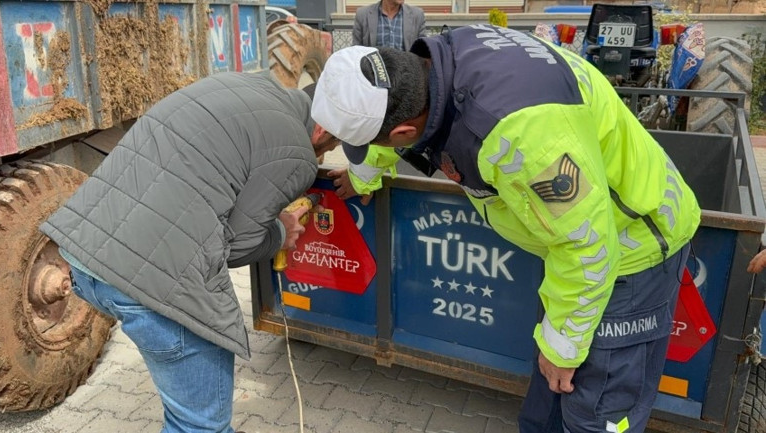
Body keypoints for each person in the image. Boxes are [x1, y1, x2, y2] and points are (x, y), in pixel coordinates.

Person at [311, 26, 701, 433]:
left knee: (593, 413)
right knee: (545, 408)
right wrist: (364, 175)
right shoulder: (432, 68)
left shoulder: (519, 137)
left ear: (403, 133)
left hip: (631, 247)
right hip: (583, 236)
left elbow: (588, 246)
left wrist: (564, 346)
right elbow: (397, 120)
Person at [40, 72, 340, 433]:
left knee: (189, 418)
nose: (320, 156)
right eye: (325, 148)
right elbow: (238, 245)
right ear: (320, 130)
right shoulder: (297, 151)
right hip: (154, 282)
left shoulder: (247, 85)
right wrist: (280, 232)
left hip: (84, 256)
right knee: (199, 427)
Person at [352, 0, 427, 51]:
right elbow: (356, 50)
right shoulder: (363, 14)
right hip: (373, 72)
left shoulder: (417, 15)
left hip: (406, 72)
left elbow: (422, 51)